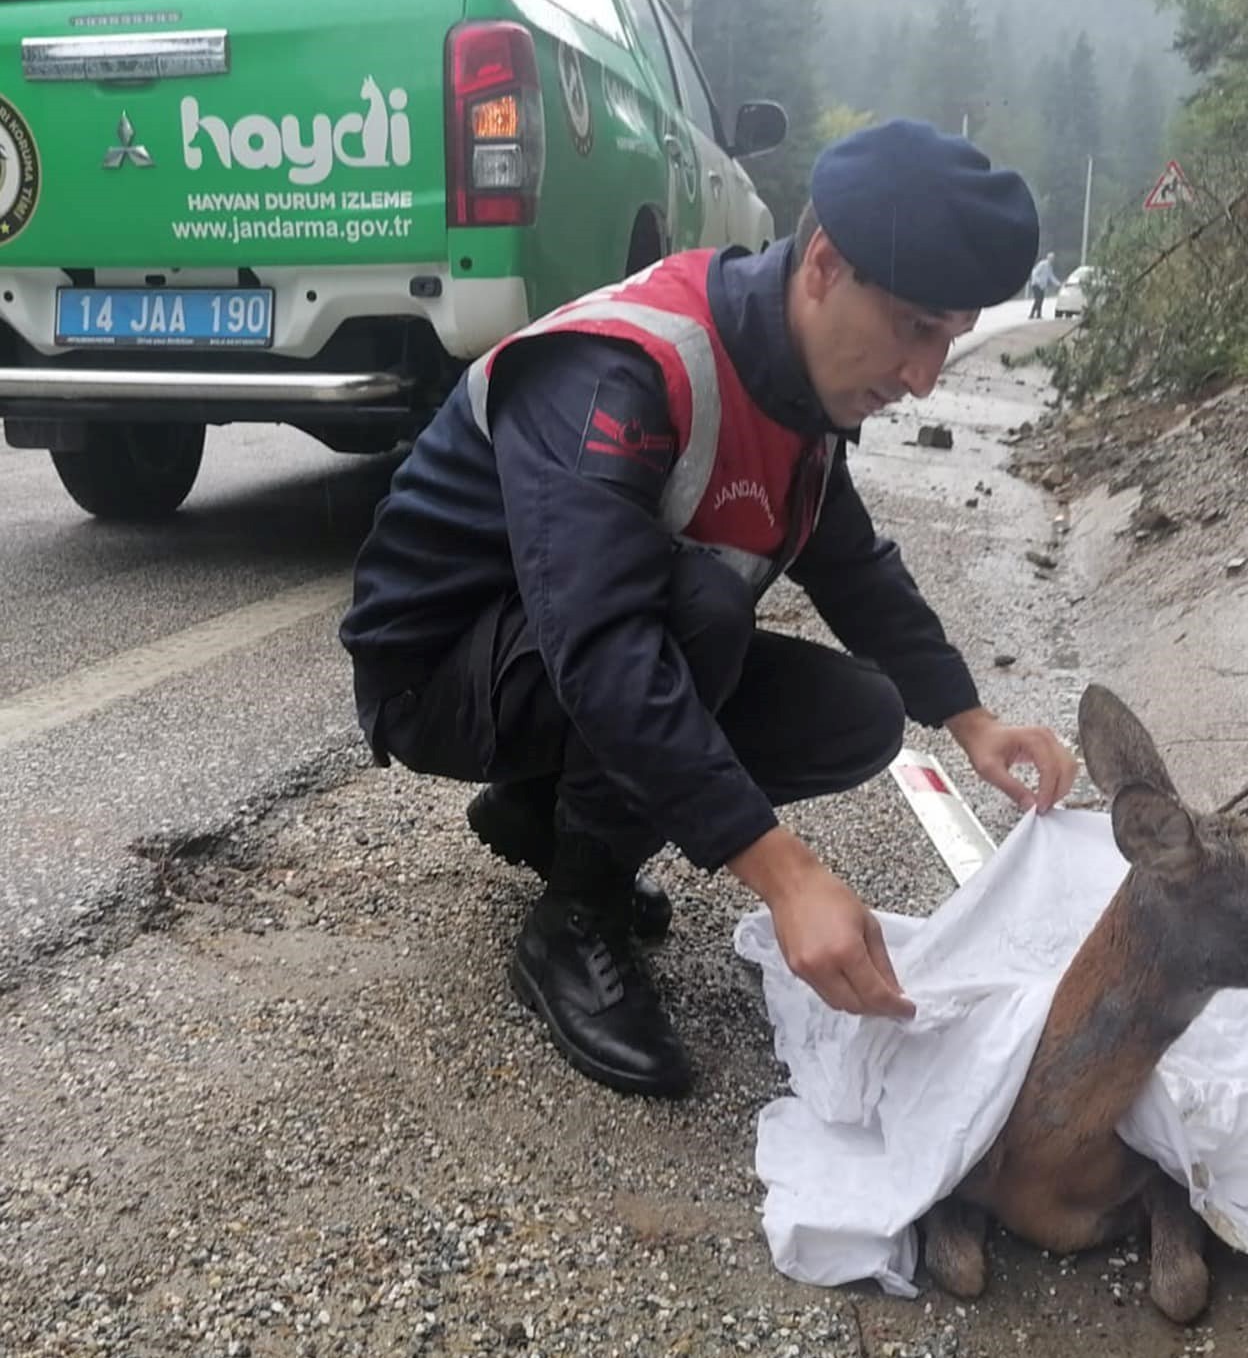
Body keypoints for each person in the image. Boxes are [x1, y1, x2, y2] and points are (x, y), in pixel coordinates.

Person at [339, 118, 1078, 1100]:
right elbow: (603, 651)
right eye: (912, 327)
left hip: (547, 657)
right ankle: (573, 919)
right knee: (703, 610)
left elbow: (851, 567)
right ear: (822, 265)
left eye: (948, 338)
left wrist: (969, 719)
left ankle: (545, 811)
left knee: (855, 714)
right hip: (439, 676)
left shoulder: (798, 390)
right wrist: (786, 878)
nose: (921, 378)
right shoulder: (628, 370)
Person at [1028, 251, 1059, 318]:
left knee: (1041, 300)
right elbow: (1035, 273)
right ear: (1048, 258)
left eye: (1053, 258)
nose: (1052, 260)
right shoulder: (1042, 264)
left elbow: (1051, 276)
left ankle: (1038, 314)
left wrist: (1058, 283)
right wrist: (1038, 282)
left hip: (1042, 286)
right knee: (1038, 299)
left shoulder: (1050, 267)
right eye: (1051, 258)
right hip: (1036, 284)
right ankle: (1031, 314)